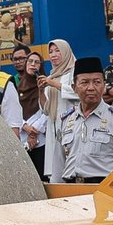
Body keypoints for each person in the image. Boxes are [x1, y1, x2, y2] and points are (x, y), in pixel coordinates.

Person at [58, 57, 113, 185]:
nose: (91, 88)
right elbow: (58, 162)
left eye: (97, 82)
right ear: (74, 87)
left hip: (104, 189)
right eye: (84, 83)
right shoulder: (66, 119)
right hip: (71, 191)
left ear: (104, 85)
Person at [39, 38, 77, 182]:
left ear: (66, 52)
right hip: (54, 128)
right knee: (56, 173)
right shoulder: (51, 76)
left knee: (72, 171)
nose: (53, 55)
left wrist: (55, 84)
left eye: (57, 51)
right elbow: (46, 109)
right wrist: (41, 91)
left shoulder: (74, 72)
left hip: (71, 127)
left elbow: (79, 93)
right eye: (50, 52)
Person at [9, 45, 46, 173]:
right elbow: (12, 111)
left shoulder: (45, 85)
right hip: (23, 139)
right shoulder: (17, 86)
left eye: (36, 62)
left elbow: (47, 111)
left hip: (41, 140)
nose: (32, 65)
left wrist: (34, 131)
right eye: (30, 61)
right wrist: (25, 126)